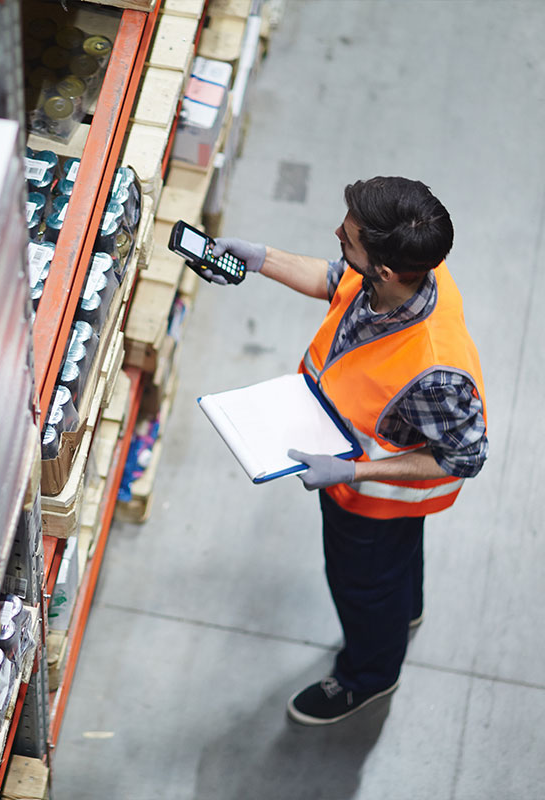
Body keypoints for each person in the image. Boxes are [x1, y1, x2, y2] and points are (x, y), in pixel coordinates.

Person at [209, 176, 488, 725]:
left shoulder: (435, 372)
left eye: (349, 237)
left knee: (363, 586)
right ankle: (405, 611)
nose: (337, 234)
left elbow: (465, 456)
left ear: (384, 269)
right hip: (366, 490)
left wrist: (354, 470)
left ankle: (370, 676)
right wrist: (261, 258)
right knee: (395, 576)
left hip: (372, 503)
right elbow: (337, 279)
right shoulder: (405, 274)